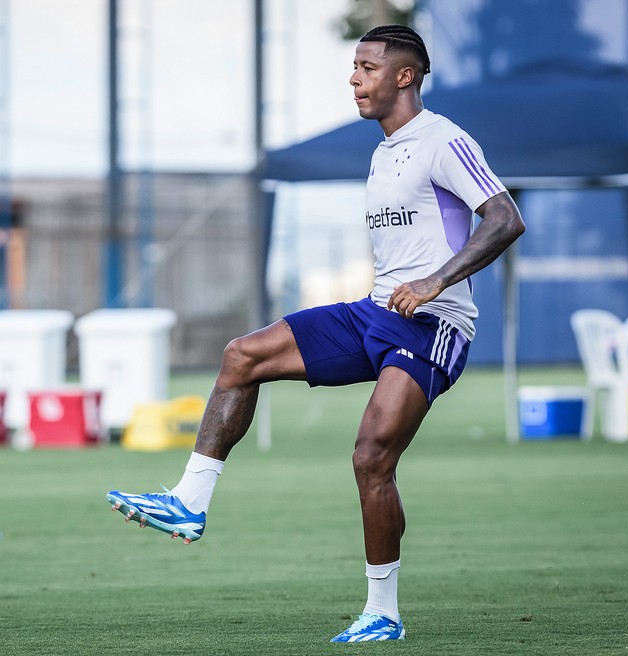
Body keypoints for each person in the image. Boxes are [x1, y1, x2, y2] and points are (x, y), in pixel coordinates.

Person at [106, 24, 525, 643]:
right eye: (353, 67)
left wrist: (436, 282)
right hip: (376, 314)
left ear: (405, 76)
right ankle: (190, 500)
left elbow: (504, 218)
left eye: (367, 67)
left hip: (434, 325)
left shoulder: (444, 140)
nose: (354, 78)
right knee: (241, 355)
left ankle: (382, 613)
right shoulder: (383, 153)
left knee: (371, 458)